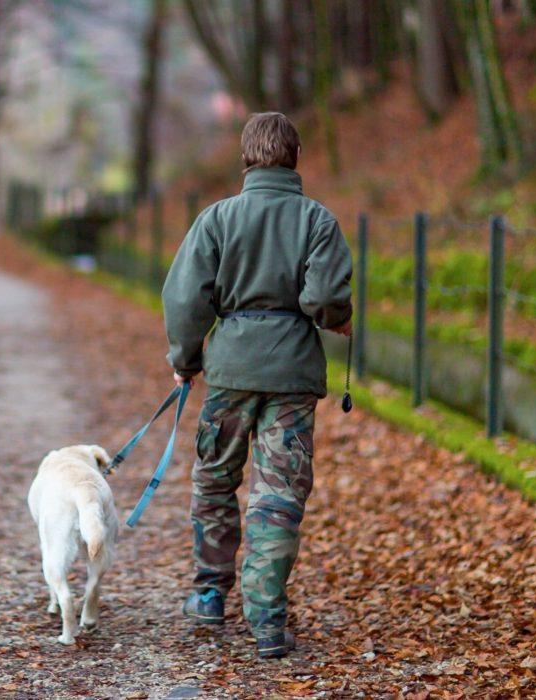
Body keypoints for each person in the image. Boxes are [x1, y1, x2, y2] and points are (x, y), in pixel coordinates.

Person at [161, 112, 353, 659]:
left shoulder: (217, 219)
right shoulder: (317, 221)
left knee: (215, 479)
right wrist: (336, 316)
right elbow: (324, 299)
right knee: (278, 494)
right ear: (295, 157)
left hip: (230, 373)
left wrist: (185, 360)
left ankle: (208, 595)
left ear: (246, 158)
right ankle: (267, 619)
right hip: (292, 376)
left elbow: (184, 298)